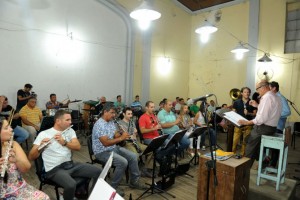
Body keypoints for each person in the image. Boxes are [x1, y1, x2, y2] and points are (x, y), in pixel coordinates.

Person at [28, 110, 101, 200]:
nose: (70, 122)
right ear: (58, 121)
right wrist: (41, 147)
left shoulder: (70, 131)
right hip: (54, 169)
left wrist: (64, 142)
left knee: (98, 172)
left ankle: (92, 196)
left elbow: (78, 147)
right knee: (71, 185)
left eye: (70, 119)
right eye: (67, 120)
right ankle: (66, 196)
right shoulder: (44, 134)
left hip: (70, 165)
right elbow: (31, 157)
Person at [92, 103, 146, 196]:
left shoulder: (111, 121)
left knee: (133, 156)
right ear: (105, 112)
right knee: (123, 162)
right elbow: (105, 143)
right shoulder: (99, 124)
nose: (114, 115)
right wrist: (121, 138)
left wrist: (122, 134)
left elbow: (115, 133)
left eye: (114, 113)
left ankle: (134, 181)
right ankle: (113, 187)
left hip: (113, 147)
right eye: (112, 113)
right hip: (102, 151)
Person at [0, 119, 50, 199]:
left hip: (19, 188)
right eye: (6, 128)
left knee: (44, 197)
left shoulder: (13, 144)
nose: (11, 129)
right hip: (3, 194)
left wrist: (16, 160)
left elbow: (26, 168)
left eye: (9, 126)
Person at [238, 80, 282, 167]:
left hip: (264, 128)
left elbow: (261, 119)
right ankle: (264, 157)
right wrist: (257, 105)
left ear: (263, 87)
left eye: (257, 89)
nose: (257, 91)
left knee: (249, 146)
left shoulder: (267, 97)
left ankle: (245, 170)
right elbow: (269, 111)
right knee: (248, 140)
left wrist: (247, 122)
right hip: (271, 128)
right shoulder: (274, 96)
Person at [118, 107, 152, 177]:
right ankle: (136, 173)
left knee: (151, 150)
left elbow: (135, 134)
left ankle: (146, 168)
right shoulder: (119, 123)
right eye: (128, 114)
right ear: (124, 114)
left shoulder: (132, 122)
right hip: (127, 143)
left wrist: (135, 133)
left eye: (131, 114)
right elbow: (119, 137)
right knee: (135, 156)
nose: (131, 115)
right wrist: (127, 135)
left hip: (135, 142)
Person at [269, 81, 291, 167]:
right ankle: (268, 161)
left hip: (278, 126)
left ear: (274, 88)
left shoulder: (280, 98)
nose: (268, 90)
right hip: (273, 125)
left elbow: (287, 111)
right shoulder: (273, 97)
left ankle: (272, 164)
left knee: (275, 148)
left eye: (269, 88)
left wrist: (275, 115)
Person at [232, 87, 257, 156]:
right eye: (245, 92)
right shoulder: (236, 102)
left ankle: (242, 155)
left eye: (248, 92)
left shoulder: (252, 102)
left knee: (245, 141)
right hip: (238, 124)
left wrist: (248, 113)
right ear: (242, 93)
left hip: (248, 124)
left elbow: (255, 114)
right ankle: (232, 154)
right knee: (235, 141)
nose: (247, 93)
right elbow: (234, 112)